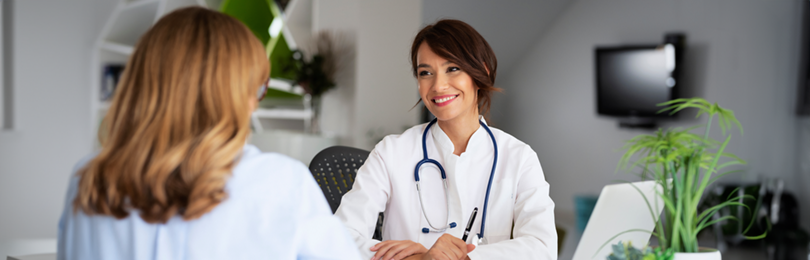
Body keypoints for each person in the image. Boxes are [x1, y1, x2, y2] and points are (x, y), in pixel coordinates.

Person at [57, 7, 360, 260]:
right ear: (236, 95)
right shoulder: (282, 183)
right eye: (258, 87)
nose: (256, 101)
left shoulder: (89, 179)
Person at [334, 19, 557, 260]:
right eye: (426, 73)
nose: (438, 85)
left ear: (481, 72)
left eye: (452, 69)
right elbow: (338, 238)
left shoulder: (519, 157)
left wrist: (464, 257)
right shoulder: (391, 152)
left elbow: (542, 248)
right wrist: (419, 259)